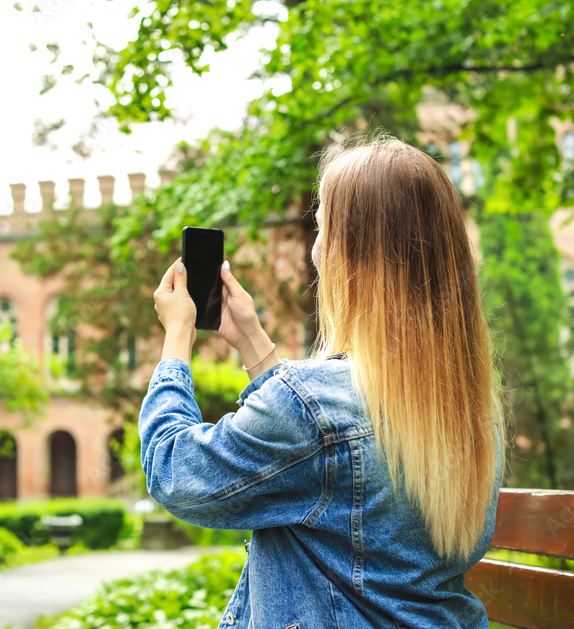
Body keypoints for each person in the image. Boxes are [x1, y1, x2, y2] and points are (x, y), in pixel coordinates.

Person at [140, 136, 506, 628]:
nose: (315, 249)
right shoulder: (470, 409)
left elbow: (174, 472)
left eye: (321, 228)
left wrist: (178, 335)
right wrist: (253, 340)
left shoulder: (316, 408)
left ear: (348, 255)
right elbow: (325, 461)